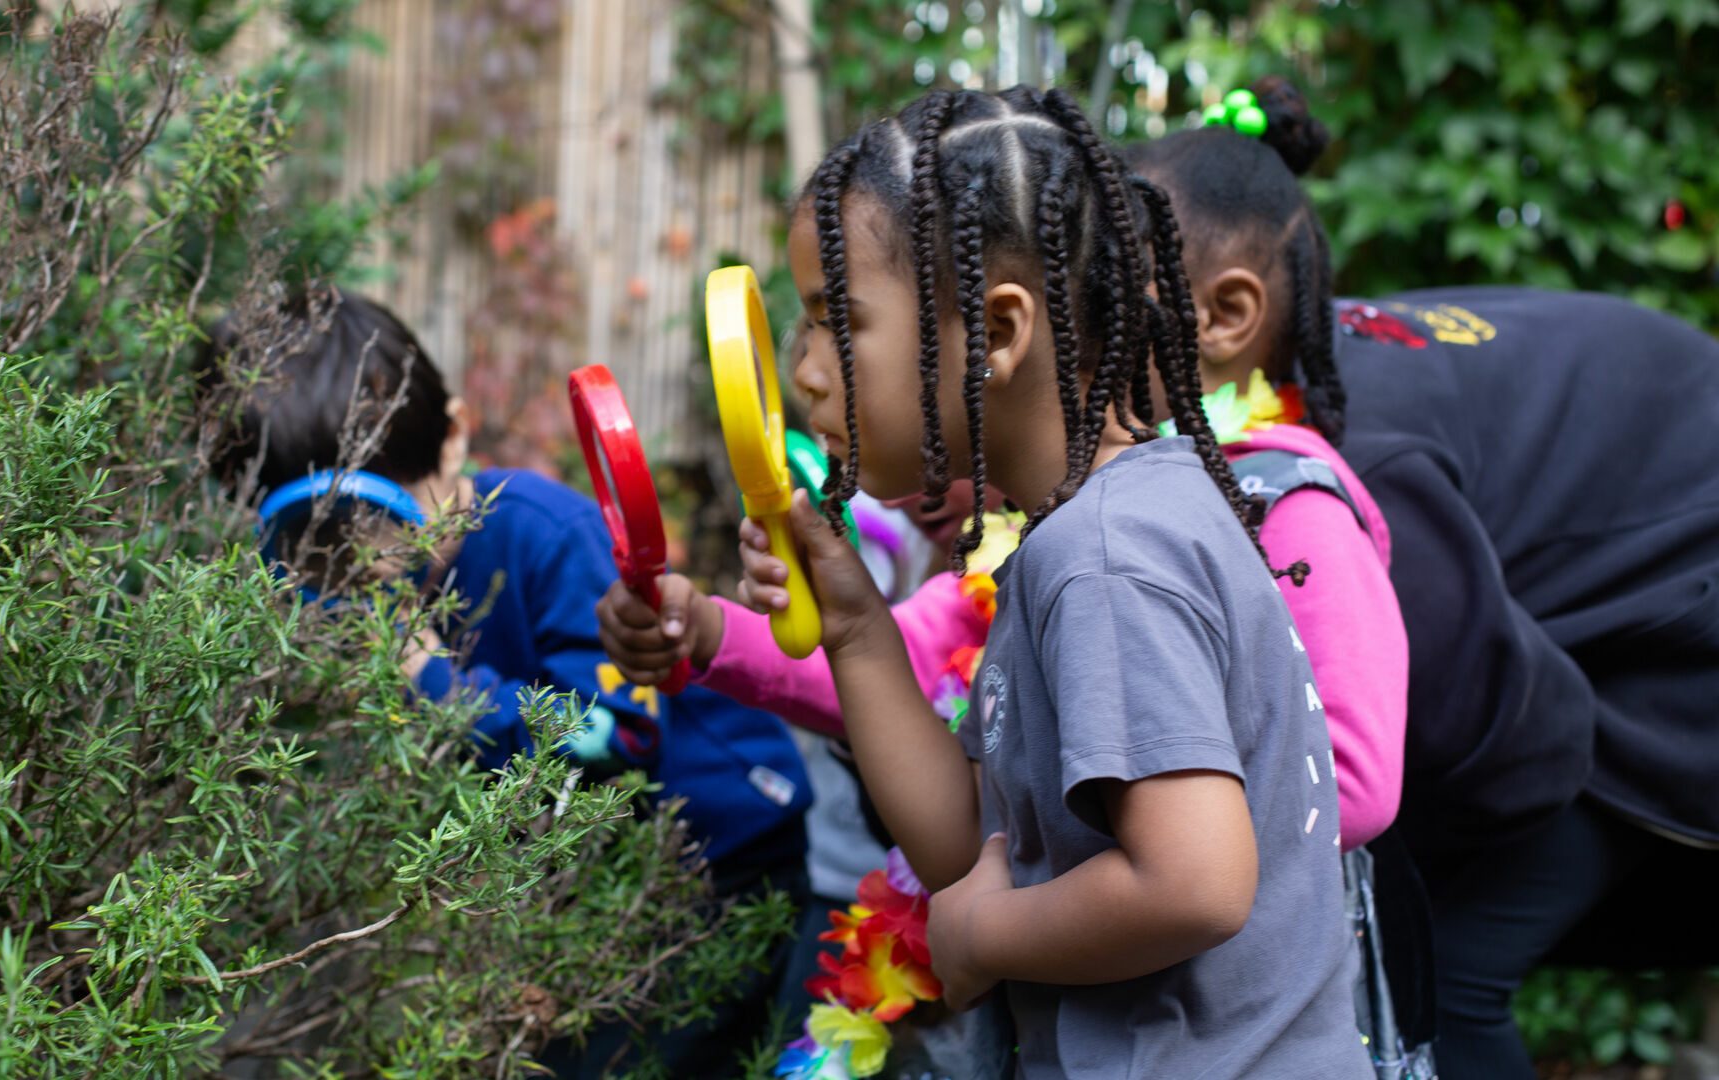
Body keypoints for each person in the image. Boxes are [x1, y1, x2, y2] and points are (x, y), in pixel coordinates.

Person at [738, 85, 1369, 1077]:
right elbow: (978, 844)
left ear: (995, 334)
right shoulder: (1088, 530)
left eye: (838, 321)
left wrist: (983, 939)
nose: (804, 368)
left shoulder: (1109, 556)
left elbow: (1195, 883)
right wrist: (858, 629)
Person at [1130, 77, 1719, 1078]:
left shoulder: (1347, 463)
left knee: (1438, 965)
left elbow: (1516, 739)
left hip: (1669, 642)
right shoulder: (1266, 378)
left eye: (1085, 313)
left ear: (1226, 316)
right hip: (1609, 589)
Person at [198, 290, 813, 1078]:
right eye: (312, 544)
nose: (355, 566)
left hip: (716, 854)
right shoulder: (349, 595)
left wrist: (436, 685)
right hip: (577, 879)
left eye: (374, 520)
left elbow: (612, 738)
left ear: (452, 439)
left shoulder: (543, 536)